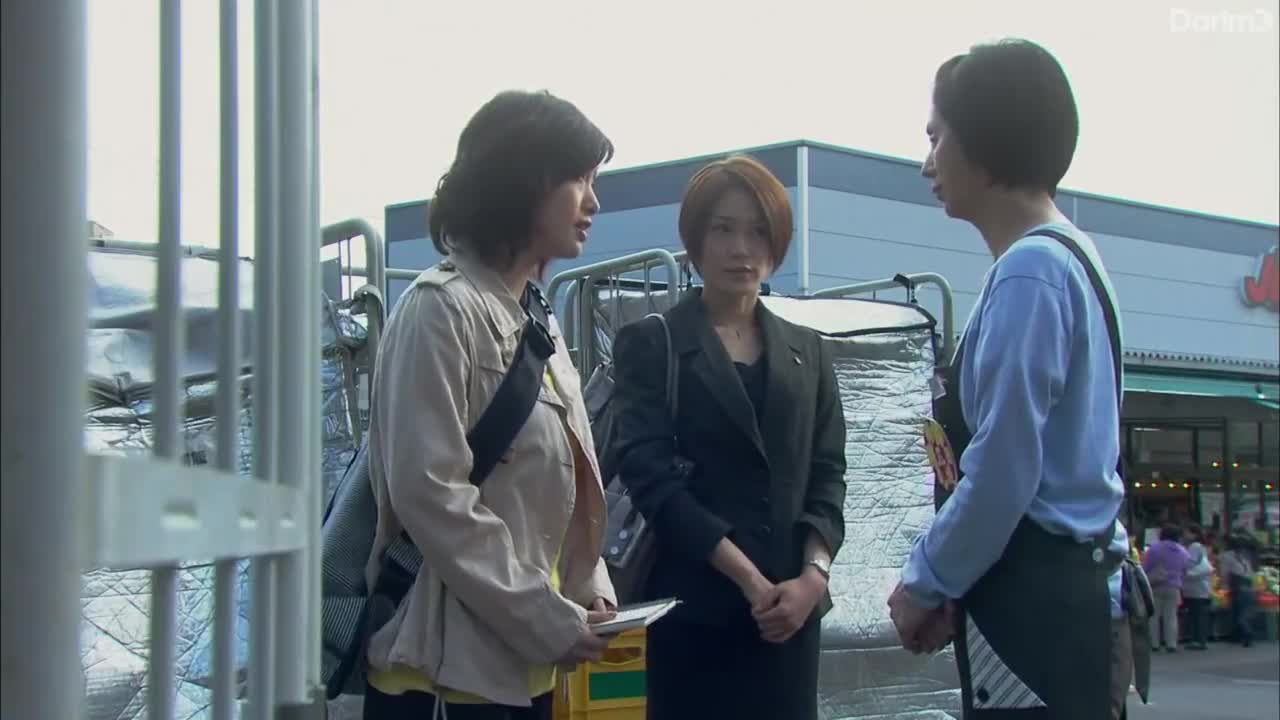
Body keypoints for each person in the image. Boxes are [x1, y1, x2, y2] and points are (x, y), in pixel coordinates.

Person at [888, 39, 1128, 719]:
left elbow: (1003, 472)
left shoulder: (1030, 272)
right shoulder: (1073, 257)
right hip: (1071, 597)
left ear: (985, 138)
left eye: (936, 137)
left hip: (1036, 610)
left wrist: (925, 581)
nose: (927, 162)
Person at [361, 90, 619, 720]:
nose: (593, 202)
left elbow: (563, 486)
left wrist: (591, 592)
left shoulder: (538, 318)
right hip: (442, 677)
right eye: (579, 179)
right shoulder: (438, 309)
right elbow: (431, 495)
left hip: (527, 667)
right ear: (523, 181)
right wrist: (545, 617)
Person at [608, 155, 848, 720]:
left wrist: (813, 578)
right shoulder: (653, 343)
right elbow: (651, 479)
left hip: (790, 622)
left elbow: (828, 474)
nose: (741, 248)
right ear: (695, 239)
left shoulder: (810, 350)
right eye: (723, 229)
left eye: (758, 231)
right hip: (696, 616)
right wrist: (749, 579)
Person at [1142, 524, 1192, 652]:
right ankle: (1171, 644)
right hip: (1174, 587)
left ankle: (1155, 644)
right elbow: (1186, 568)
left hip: (1155, 585)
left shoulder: (1154, 548)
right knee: (1171, 616)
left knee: (1154, 616)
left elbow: (1145, 567)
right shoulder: (1182, 551)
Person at [1220, 534, 1257, 647]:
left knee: (1237, 612)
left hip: (1237, 586)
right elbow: (1251, 573)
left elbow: (1225, 573)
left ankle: (1246, 633)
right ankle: (1240, 635)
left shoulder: (1226, 556)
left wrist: (1224, 586)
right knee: (1244, 612)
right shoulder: (1246, 556)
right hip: (1249, 586)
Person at [1181, 524, 1214, 650]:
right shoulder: (1201, 546)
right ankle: (1199, 639)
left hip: (1196, 586)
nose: (1184, 535)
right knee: (1198, 614)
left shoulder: (1194, 546)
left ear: (1194, 534)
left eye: (1187, 532)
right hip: (1200, 586)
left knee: (1196, 614)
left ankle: (1198, 640)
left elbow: (1191, 562)